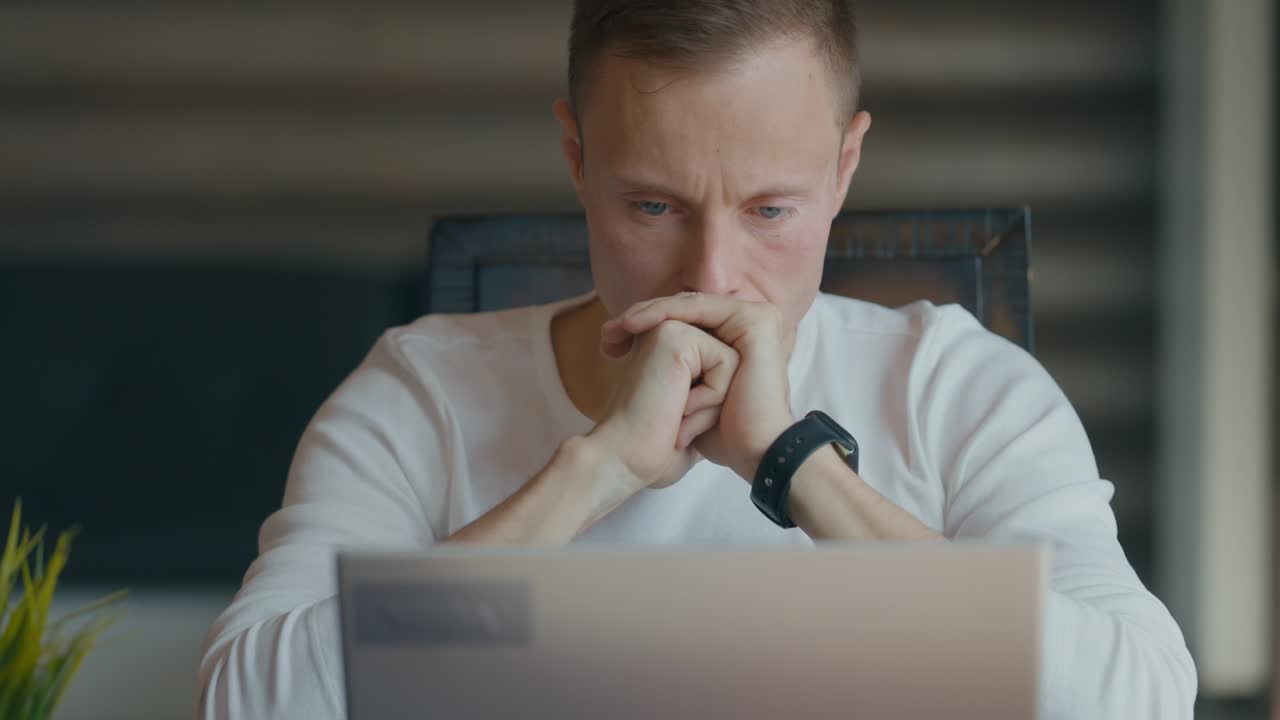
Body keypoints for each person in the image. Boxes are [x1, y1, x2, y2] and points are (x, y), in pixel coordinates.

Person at [195, 1, 1196, 717]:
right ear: (575, 156)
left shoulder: (959, 389)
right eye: (652, 206)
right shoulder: (421, 393)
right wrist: (595, 474)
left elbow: (1136, 699)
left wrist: (795, 463)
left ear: (843, 167)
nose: (712, 273)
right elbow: (251, 703)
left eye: (769, 210)